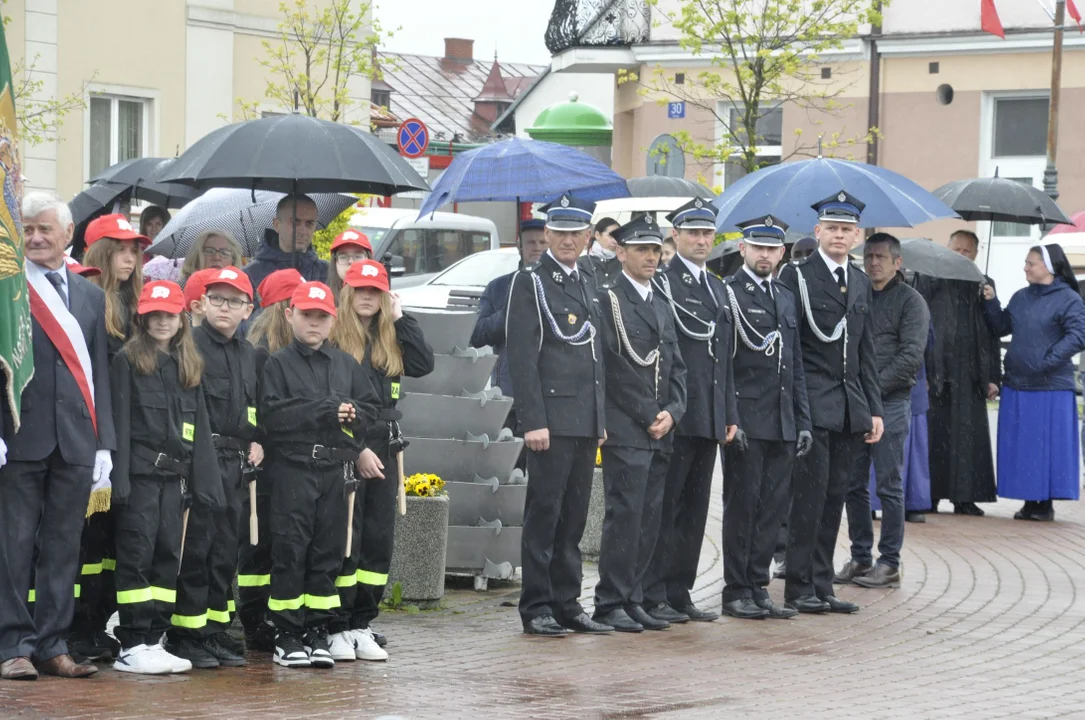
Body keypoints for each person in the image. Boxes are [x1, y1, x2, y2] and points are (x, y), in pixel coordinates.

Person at [0, 192, 116, 680]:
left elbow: (99, 376)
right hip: (20, 436)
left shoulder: (89, 295)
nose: (37, 237)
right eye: (27, 229)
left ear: (69, 235)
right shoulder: (6, 291)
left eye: (46, 229)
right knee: (15, 545)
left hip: (75, 439)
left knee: (65, 546)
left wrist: (104, 442)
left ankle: (52, 644)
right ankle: (13, 645)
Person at [258, 281, 380, 669]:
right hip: (293, 469)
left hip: (335, 470)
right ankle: (287, 633)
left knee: (327, 553)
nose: (314, 323)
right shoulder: (277, 363)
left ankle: (316, 628)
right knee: (291, 551)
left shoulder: (346, 364)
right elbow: (273, 417)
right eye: (307, 315)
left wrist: (354, 415)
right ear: (290, 315)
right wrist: (326, 409)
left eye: (321, 317)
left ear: (333, 320)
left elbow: (370, 409)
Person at [777, 191, 883, 615]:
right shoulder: (797, 277)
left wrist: (873, 407)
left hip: (847, 407)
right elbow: (791, 348)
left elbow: (865, 351)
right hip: (811, 403)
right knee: (807, 498)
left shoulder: (858, 281)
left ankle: (821, 584)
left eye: (846, 229)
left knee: (834, 497)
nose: (839, 235)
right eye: (832, 228)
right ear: (817, 231)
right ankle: (799, 586)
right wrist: (797, 406)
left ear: (856, 236)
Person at [507, 194, 608, 638]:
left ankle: (567, 602)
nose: (568, 240)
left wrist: (599, 418)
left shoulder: (589, 278)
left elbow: (595, 356)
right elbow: (523, 357)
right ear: (546, 235)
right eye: (560, 232)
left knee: (574, 518)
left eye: (576, 233)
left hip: (584, 419)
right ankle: (537, 606)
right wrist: (532, 420)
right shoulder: (530, 282)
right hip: (549, 418)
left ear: (588, 237)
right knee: (544, 517)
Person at [109, 280, 223, 675]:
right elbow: (120, 425)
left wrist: (208, 485)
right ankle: (131, 642)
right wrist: (118, 481)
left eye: (169, 315)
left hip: (174, 483)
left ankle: (153, 637)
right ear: (143, 318)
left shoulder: (188, 366)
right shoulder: (126, 360)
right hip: (140, 477)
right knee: (137, 557)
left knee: (166, 557)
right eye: (154, 314)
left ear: (181, 319)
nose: (161, 321)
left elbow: (201, 429)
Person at [328, 260, 434, 662]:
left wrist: (402, 319)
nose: (367, 297)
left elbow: (423, 364)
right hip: (349, 443)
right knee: (344, 540)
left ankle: (360, 621)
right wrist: (354, 450)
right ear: (347, 291)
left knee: (377, 539)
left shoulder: (391, 334)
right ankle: (336, 623)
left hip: (385, 446)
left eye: (376, 290)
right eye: (360, 289)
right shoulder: (336, 335)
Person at [642, 197, 738, 624]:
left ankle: (680, 590)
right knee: (666, 507)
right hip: (677, 412)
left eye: (706, 233)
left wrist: (729, 413)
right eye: (692, 233)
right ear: (675, 237)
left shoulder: (718, 287)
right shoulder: (664, 283)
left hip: (708, 414)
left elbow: (725, 359)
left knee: (695, 510)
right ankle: (654, 591)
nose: (701, 240)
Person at [163, 268, 263, 669]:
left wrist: (259, 440)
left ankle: (214, 629)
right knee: (196, 548)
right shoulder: (189, 347)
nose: (225, 308)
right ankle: (186, 634)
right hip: (201, 461)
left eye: (235, 301)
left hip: (237, 465)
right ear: (201, 304)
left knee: (224, 551)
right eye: (218, 299)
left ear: (248, 309)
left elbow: (254, 408)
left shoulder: (249, 355)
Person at [592, 214, 687, 633]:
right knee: (625, 516)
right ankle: (610, 599)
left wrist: (674, 411)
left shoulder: (661, 303)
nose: (651, 257)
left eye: (655, 250)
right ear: (621, 251)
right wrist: (650, 413)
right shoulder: (608, 298)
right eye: (642, 250)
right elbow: (613, 365)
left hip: (661, 429)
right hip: (628, 426)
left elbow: (677, 367)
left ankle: (633, 597)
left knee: (650, 518)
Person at [67, 213, 151, 663]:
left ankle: (97, 624)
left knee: (112, 543)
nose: (130, 257)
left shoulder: (136, 304)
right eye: (121, 248)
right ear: (100, 251)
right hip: (93, 435)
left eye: (134, 249)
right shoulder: (87, 301)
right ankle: (76, 626)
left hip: (132, 436)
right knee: (86, 539)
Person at [719, 214, 812, 620]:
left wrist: (803, 420)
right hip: (747, 420)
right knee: (743, 508)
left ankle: (757, 586)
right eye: (758, 247)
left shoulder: (785, 296)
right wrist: (731, 417)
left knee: (772, 510)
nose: (765, 254)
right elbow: (723, 366)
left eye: (773, 248)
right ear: (743, 249)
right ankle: (736, 589)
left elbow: (794, 365)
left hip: (781, 421)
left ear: (782, 252)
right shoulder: (729, 293)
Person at [837, 234, 929, 589]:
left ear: (897, 262)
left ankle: (889, 561)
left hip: (890, 404)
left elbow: (910, 358)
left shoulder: (911, 302)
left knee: (890, 485)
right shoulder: (857, 294)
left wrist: (871, 393)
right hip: (857, 404)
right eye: (868, 256)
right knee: (854, 483)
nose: (873, 263)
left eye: (880, 257)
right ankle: (861, 556)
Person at [983, 244, 1085, 521]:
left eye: (1031, 263)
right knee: (1024, 447)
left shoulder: (1069, 300)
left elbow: (1078, 335)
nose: (1025, 267)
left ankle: (1044, 503)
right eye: (1026, 263)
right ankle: (1030, 500)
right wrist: (991, 300)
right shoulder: (1020, 297)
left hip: (1050, 387)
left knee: (1045, 447)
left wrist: (1047, 360)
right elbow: (1002, 327)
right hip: (1018, 383)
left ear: (1049, 268)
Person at [237, 268, 304, 651]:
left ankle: (268, 616)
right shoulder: (261, 351)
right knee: (257, 542)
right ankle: (254, 617)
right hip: (267, 457)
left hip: (287, 459)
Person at [915, 229, 1000, 516]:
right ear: (946, 248)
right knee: (935, 436)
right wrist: (922, 372)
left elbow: (994, 333)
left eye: (968, 251)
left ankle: (966, 497)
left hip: (970, 371)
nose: (962, 255)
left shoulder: (984, 284)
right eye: (957, 249)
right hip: (936, 369)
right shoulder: (928, 278)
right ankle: (930, 495)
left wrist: (992, 377)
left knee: (968, 438)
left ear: (976, 254)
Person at [470, 220, 548, 470]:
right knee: (512, 467)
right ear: (519, 246)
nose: (537, 248)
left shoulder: (559, 288)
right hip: (509, 392)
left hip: (550, 395)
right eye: (531, 243)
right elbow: (478, 333)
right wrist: (511, 311)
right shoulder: (500, 287)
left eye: (542, 242)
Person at [243, 195, 328, 292]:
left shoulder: (328, 272)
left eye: (309, 223)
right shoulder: (251, 275)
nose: (303, 231)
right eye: (295, 222)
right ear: (277, 225)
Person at [325, 230, 372, 301]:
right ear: (334, 262)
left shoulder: (380, 300)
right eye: (343, 257)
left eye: (358, 256)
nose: (351, 261)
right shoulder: (324, 301)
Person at [578, 216, 622, 289]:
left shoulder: (623, 263)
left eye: (617, 236)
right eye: (610, 236)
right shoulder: (581, 263)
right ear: (597, 235)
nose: (615, 241)